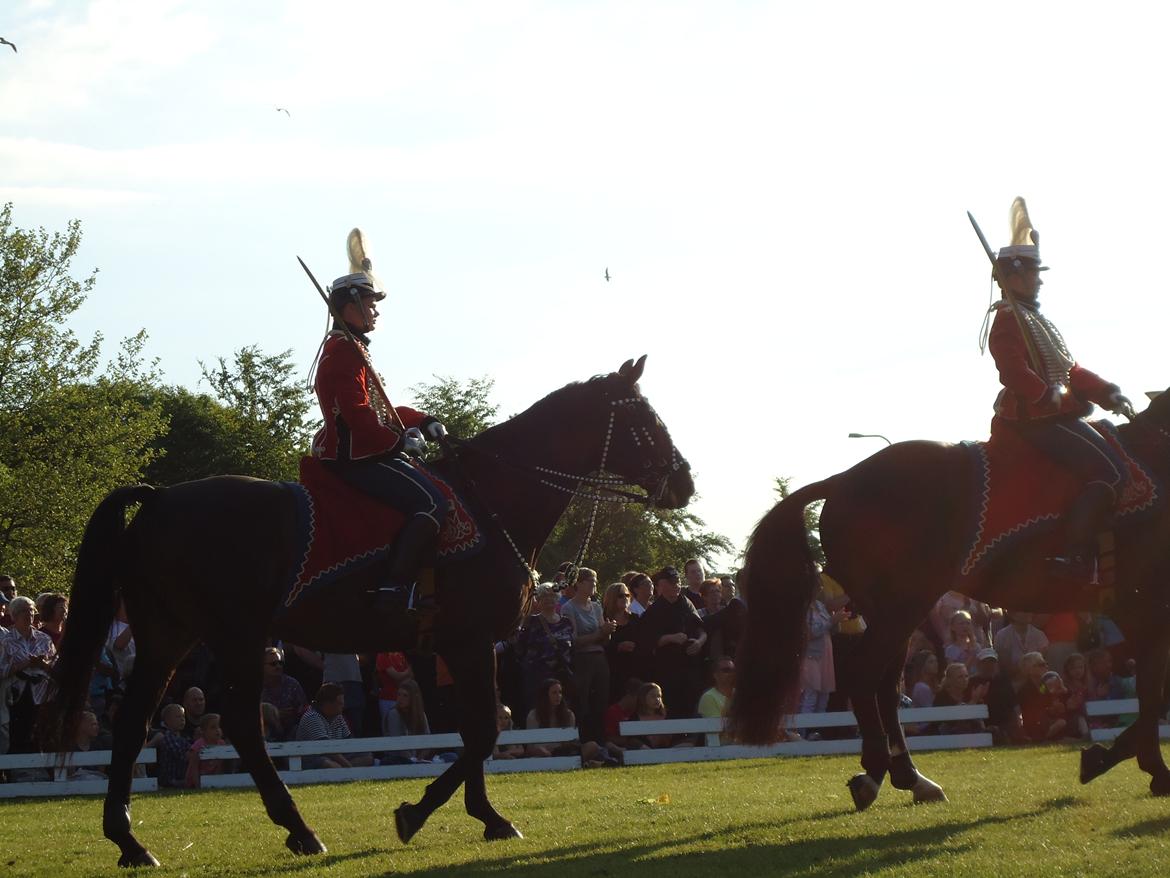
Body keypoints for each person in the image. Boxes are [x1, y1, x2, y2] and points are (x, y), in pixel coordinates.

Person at [982, 197, 1132, 579]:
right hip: (1033, 418)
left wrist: (1106, 392)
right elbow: (1011, 370)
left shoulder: (1035, 320)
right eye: (1033, 274)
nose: (1039, 279)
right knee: (1110, 472)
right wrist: (1041, 393)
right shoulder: (1006, 319)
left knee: (1116, 451)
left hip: (1054, 410)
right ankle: (1073, 554)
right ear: (1013, 278)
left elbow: (1067, 370)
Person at [310, 228, 450, 609]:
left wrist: (421, 420)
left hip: (367, 449)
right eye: (370, 303)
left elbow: (380, 409)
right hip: (355, 457)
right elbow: (357, 415)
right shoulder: (342, 351)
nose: (375, 310)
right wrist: (397, 441)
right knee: (433, 502)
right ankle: (393, 586)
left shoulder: (353, 349)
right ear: (350, 305)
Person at [639, 566, 706, 718]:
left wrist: (699, 643)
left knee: (692, 707)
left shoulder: (686, 604)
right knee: (672, 709)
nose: (676, 585)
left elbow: (702, 630)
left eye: (677, 581)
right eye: (671, 582)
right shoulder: (653, 611)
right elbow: (647, 643)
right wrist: (670, 638)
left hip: (691, 667)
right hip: (667, 670)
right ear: (661, 585)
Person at [561, 567, 615, 751]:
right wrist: (600, 632)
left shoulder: (597, 607)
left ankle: (600, 740)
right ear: (579, 583)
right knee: (582, 701)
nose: (594, 585)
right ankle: (583, 741)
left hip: (600, 658)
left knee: (601, 700)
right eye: (590, 581)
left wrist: (607, 631)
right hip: (582, 660)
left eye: (595, 581)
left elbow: (604, 639)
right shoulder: (569, 608)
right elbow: (574, 640)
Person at [0, 595, 56, 755]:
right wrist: (23, 664)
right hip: (16, 695)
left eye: (31, 611)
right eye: (24, 611)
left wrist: (42, 664)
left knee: (41, 736)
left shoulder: (44, 639)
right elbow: (1, 670)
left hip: (42, 694)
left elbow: (56, 667)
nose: (29, 614)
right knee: (17, 737)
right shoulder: (6, 640)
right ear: (14, 615)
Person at [524, 677, 614, 767]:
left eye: (560, 692)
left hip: (563, 752)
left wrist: (563, 747)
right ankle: (591, 764)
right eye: (554, 693)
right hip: (542, 754)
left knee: (592, 746)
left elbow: (571, 743)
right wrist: (541, 751)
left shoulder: (568, 714)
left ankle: (601, 762)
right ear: (545, 695)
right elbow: (530, 747)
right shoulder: (534, 715)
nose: (558, 696)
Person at [516, 584, 574, 720]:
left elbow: (573, 647)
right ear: (538, 600)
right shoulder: (531, 621)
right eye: (544, 597)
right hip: (537, 675)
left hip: (561, 674)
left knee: (561, 710)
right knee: (536, 710)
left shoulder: (566, 622)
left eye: (552, 596)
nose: (549, 599)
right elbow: (520, 647)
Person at [294, 682, 374, 770]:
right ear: (328, 704)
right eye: (340, 703)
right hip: (313, 757)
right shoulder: (312, 717)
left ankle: (340, 771)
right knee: (328, 764)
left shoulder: (338, 716)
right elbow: (326, 748)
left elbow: (349, 742)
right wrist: (349, 767)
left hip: (336, 755)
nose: (343, 706)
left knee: (367, 756)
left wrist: (347, 765)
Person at [603, 582, 641, 698]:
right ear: (612, 597)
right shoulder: (604, 619)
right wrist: (618, 647)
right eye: (620, 595)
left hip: (634, 669)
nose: (625, 598)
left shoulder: (635, 618)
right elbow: (601, 644)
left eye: (627, 595)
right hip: (613, 670)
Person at [259, 646, 307, 739]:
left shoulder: (292, 684)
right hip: (265, 731)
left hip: (292, 730)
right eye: (273, 664)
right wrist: (275, 714)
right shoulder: (255, 687)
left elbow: (304, 710)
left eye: (280, 663)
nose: (278, 666)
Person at [933, 663, 987, 735]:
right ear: (950, 680)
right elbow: (952, 722)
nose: (965, 679)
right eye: (960, 677)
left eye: (966, 676)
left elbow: (978, 721)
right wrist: (974, 701)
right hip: (948, 735)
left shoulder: (969, 693)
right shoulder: (942, 696)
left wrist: (979, 699)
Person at [993, 612, 1050, 680]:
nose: (1029, 613)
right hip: (1011, 683)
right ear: (1013, 615)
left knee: (1044, 688)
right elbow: (1004, 668)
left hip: (1037, 683)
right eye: (1024, 611)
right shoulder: (1002, 636)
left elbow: (1043, 665)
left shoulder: (1039, 635)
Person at [145, 703, 189, 788]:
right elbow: (179, 754)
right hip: (169, 778)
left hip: (180, 775)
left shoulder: (183, 738)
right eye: (178, 717)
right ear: (167, 720)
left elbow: (189, 748)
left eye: (183, 716)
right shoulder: (166, 737)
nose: (182, 719)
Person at [697, 656, 736, 745]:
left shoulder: (740, 695)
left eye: (733, 670)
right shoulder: (708, 697)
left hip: (743, 747)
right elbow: (717, 729)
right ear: (715, 675)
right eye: (726, 670)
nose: (731, 673)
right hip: (719, 749)